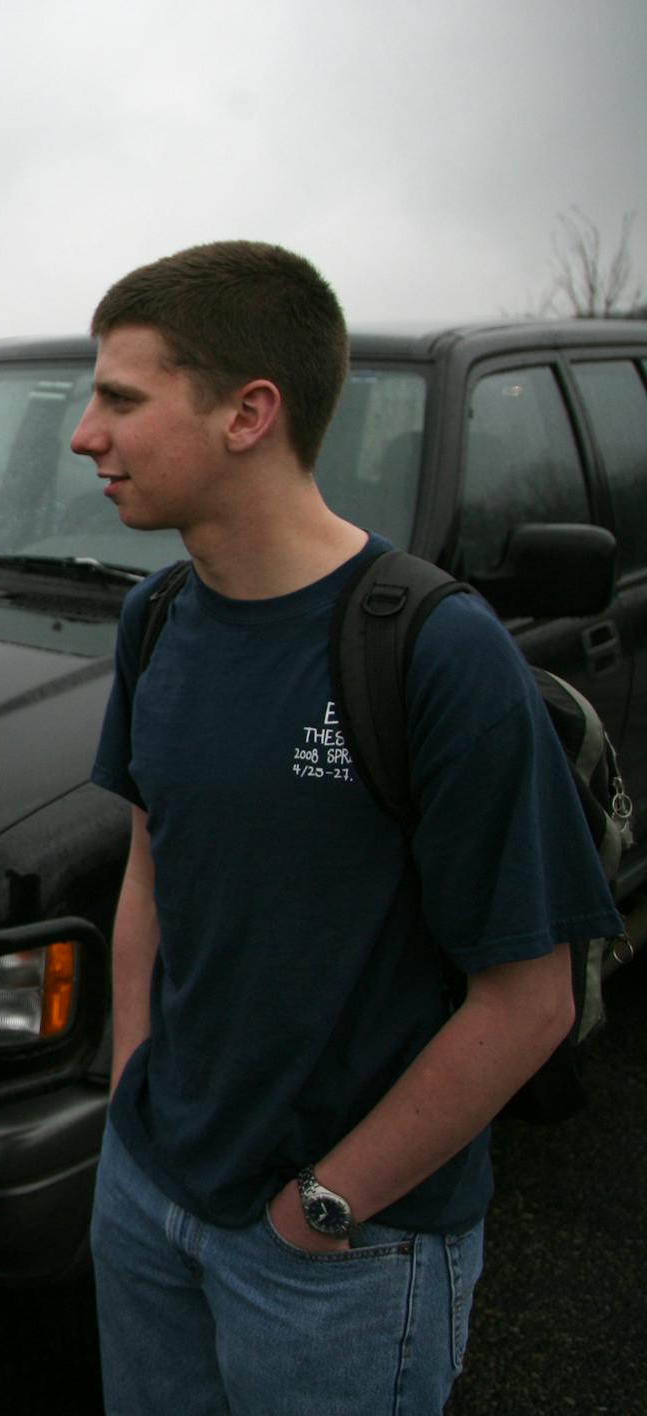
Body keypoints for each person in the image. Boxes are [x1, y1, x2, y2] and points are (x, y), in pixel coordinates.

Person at [74, 240, 621, 1414]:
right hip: (152, 1197)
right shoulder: (156, 618)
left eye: (121, 397)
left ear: (249, 414)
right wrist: (133, 1102)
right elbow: (149, 877)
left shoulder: (436, 651)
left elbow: (531, 1001)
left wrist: (326, 1205)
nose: (87, 434)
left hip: (340, 1255)